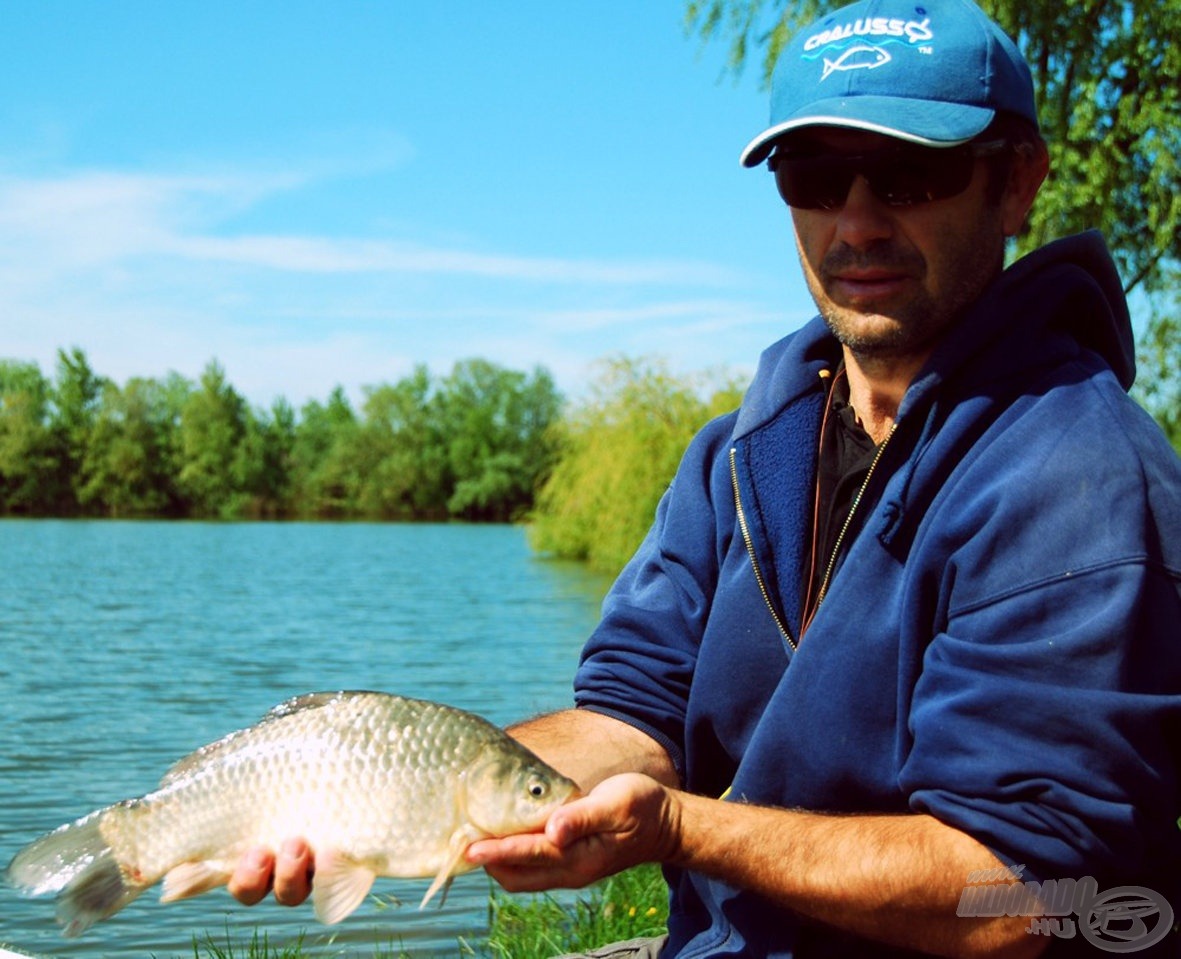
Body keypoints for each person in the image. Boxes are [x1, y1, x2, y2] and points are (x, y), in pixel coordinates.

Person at [230, 0, 1181, 954]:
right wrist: (413, 790)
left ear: (1014, 184)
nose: (854, 222)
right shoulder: (739, 454)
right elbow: (634, 717)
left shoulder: (1080, 484)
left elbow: (1028, 898)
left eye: (909, 173)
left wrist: (685, 830)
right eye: (811, 177)